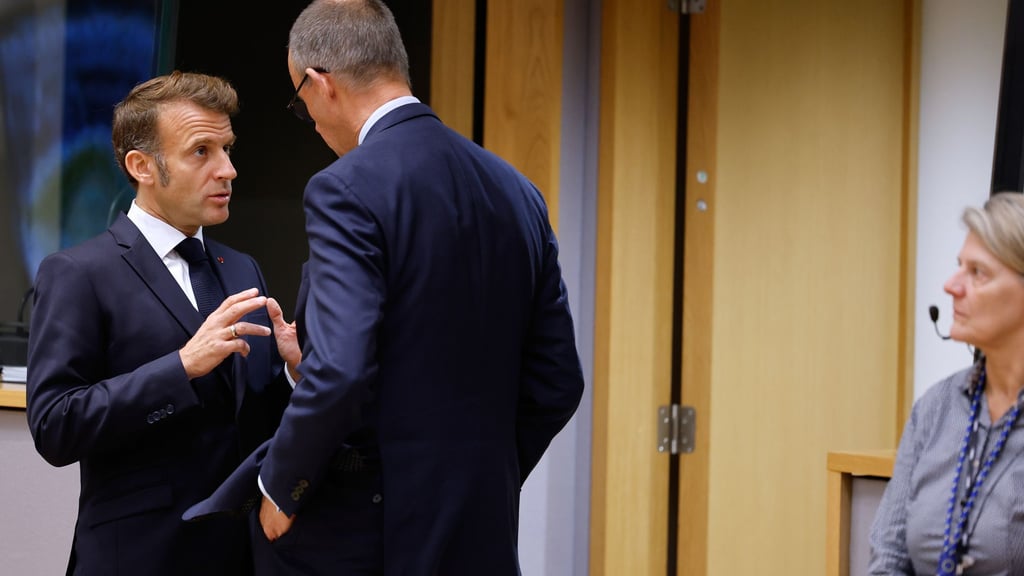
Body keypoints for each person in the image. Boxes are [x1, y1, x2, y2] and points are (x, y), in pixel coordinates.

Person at [185, 0, 585, 573]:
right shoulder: (518, 191)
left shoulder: (345, 188)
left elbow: (343, 372)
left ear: (320, 85)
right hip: (482, 530)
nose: (312, 121)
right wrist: (476, 478)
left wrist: (281, 487)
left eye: (301, 106)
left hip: (370, 534)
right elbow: (557, 381)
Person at [26, 71, 298, 576]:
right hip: (139, 557)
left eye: (228, 148)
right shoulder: (78, 274)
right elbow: (55, 427)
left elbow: (245, 420)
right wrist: (181, 367)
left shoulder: (242, 268)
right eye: (202, 152)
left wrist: (292, 376)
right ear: (142, 166)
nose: (228, 170)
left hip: (244, 556)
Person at [869, 191, 1024, 575]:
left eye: (978, 273)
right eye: (959, 267)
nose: (951, 286)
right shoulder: (936, 408)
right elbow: (887, 556)